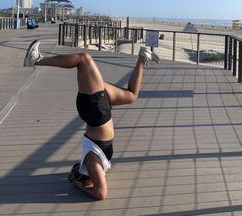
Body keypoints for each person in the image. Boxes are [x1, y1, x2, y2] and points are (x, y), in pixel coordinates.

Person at [23, 40, 160, 200]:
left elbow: (100, 192)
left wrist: (77, 184)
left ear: (85, 174)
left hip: (95, 109)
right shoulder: (95, 163)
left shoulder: (90, 160)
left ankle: (36, 59)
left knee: (84, 59)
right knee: (131, 95)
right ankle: (142, 59)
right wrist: (81, 182)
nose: (98, 176)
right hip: (99, 109)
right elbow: (99, 191)